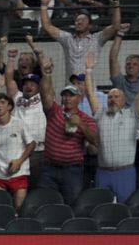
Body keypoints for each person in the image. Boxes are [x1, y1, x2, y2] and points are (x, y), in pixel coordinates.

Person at [85, 51, 139, 203]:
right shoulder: (100, 114)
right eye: (110, 97)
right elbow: (90, 94)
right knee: (101, 207)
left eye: (116, 97)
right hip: (103, 172)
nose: (112, 99)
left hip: (125, 173)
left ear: (124, 100)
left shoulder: (132, 115)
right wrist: (88, 70)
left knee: (125, 208)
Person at [38, 49, 98, 204]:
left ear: (79, 98)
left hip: (73, 170)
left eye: (71, 95)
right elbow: (45, 94)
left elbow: (95, 141)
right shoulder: (55, 111)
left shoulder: (86, 118)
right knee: (46, 203)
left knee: (72, 203)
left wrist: (81, 126)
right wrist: (47, 74)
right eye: (65, 95)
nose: (67, 98)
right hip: (49, 168)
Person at [39, 0, 120, 81]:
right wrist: (44, 6)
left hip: (89, 89)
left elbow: (115, 26)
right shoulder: (67, 39)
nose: (79, 22)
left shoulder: (97, 39)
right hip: (70, 90)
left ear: (90, 26)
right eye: (77, 20)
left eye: (83, 20)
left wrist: (116, 3)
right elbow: (47, 27)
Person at [0, 93, 36, 211]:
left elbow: (32, 144)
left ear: (9, 107)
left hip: (19, 173)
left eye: (2, 102)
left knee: (18, 209)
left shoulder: (19, 123)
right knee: (0, 209)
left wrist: (19, 161)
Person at [4, 51, 47, 186]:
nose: (29, 86)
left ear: (38, 86)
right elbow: (9, 79)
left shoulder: (43, 99)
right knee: (17, 186)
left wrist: (41, 58)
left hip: (38, 152)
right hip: (18, 150)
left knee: (36, 187)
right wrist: (11, 58)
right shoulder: (17, 98)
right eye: (26, 84)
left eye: (32, 83)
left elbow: (47, 79)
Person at [109, 18, 139, 107]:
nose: (131, 66)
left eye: (135, 64)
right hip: (123, 118)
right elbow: (113, 58)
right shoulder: (120, 81)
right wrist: (120, 34)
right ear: (125, 66)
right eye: (128, 64)